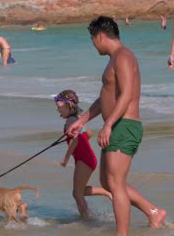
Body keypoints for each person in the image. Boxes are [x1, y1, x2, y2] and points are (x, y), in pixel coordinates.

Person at [66, 16, 166, 236]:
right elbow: (106, 99)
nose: (93, 45)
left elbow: (128, 94)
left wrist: (109, 124)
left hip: (125, 124)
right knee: (108, 181)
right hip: (116, 125)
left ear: (100, 36)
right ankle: (153, 212)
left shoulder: (123, 56)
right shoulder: (113, 60)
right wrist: (82, 120)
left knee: (116, 182)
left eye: (93, 40)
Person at [54, 89, 112, 219]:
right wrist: (81, 144)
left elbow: (75, 141)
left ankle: (86, 220)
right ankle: (105, 192)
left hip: (84, 160)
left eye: (59, 108)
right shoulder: (78, 119)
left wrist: (66, 158)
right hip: (87, 158)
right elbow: (89, 134)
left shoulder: (70, 122)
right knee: (79, 191)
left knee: (77, 194)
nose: (58, 110)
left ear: (69, 105)